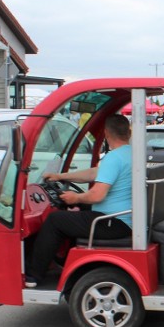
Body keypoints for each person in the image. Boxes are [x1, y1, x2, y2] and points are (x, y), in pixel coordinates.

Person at [25, 115, 134, 288]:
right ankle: (67, 260)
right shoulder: (129, 154)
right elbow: (94, 173)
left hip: (113, 222)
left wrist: (76, 197)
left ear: (106, 133)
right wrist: (61, 176)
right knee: (78, 209)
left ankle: (32, 276)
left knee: (55, 220)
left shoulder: (114, 158)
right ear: (128, 132)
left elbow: (97, 195)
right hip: (123, 218)